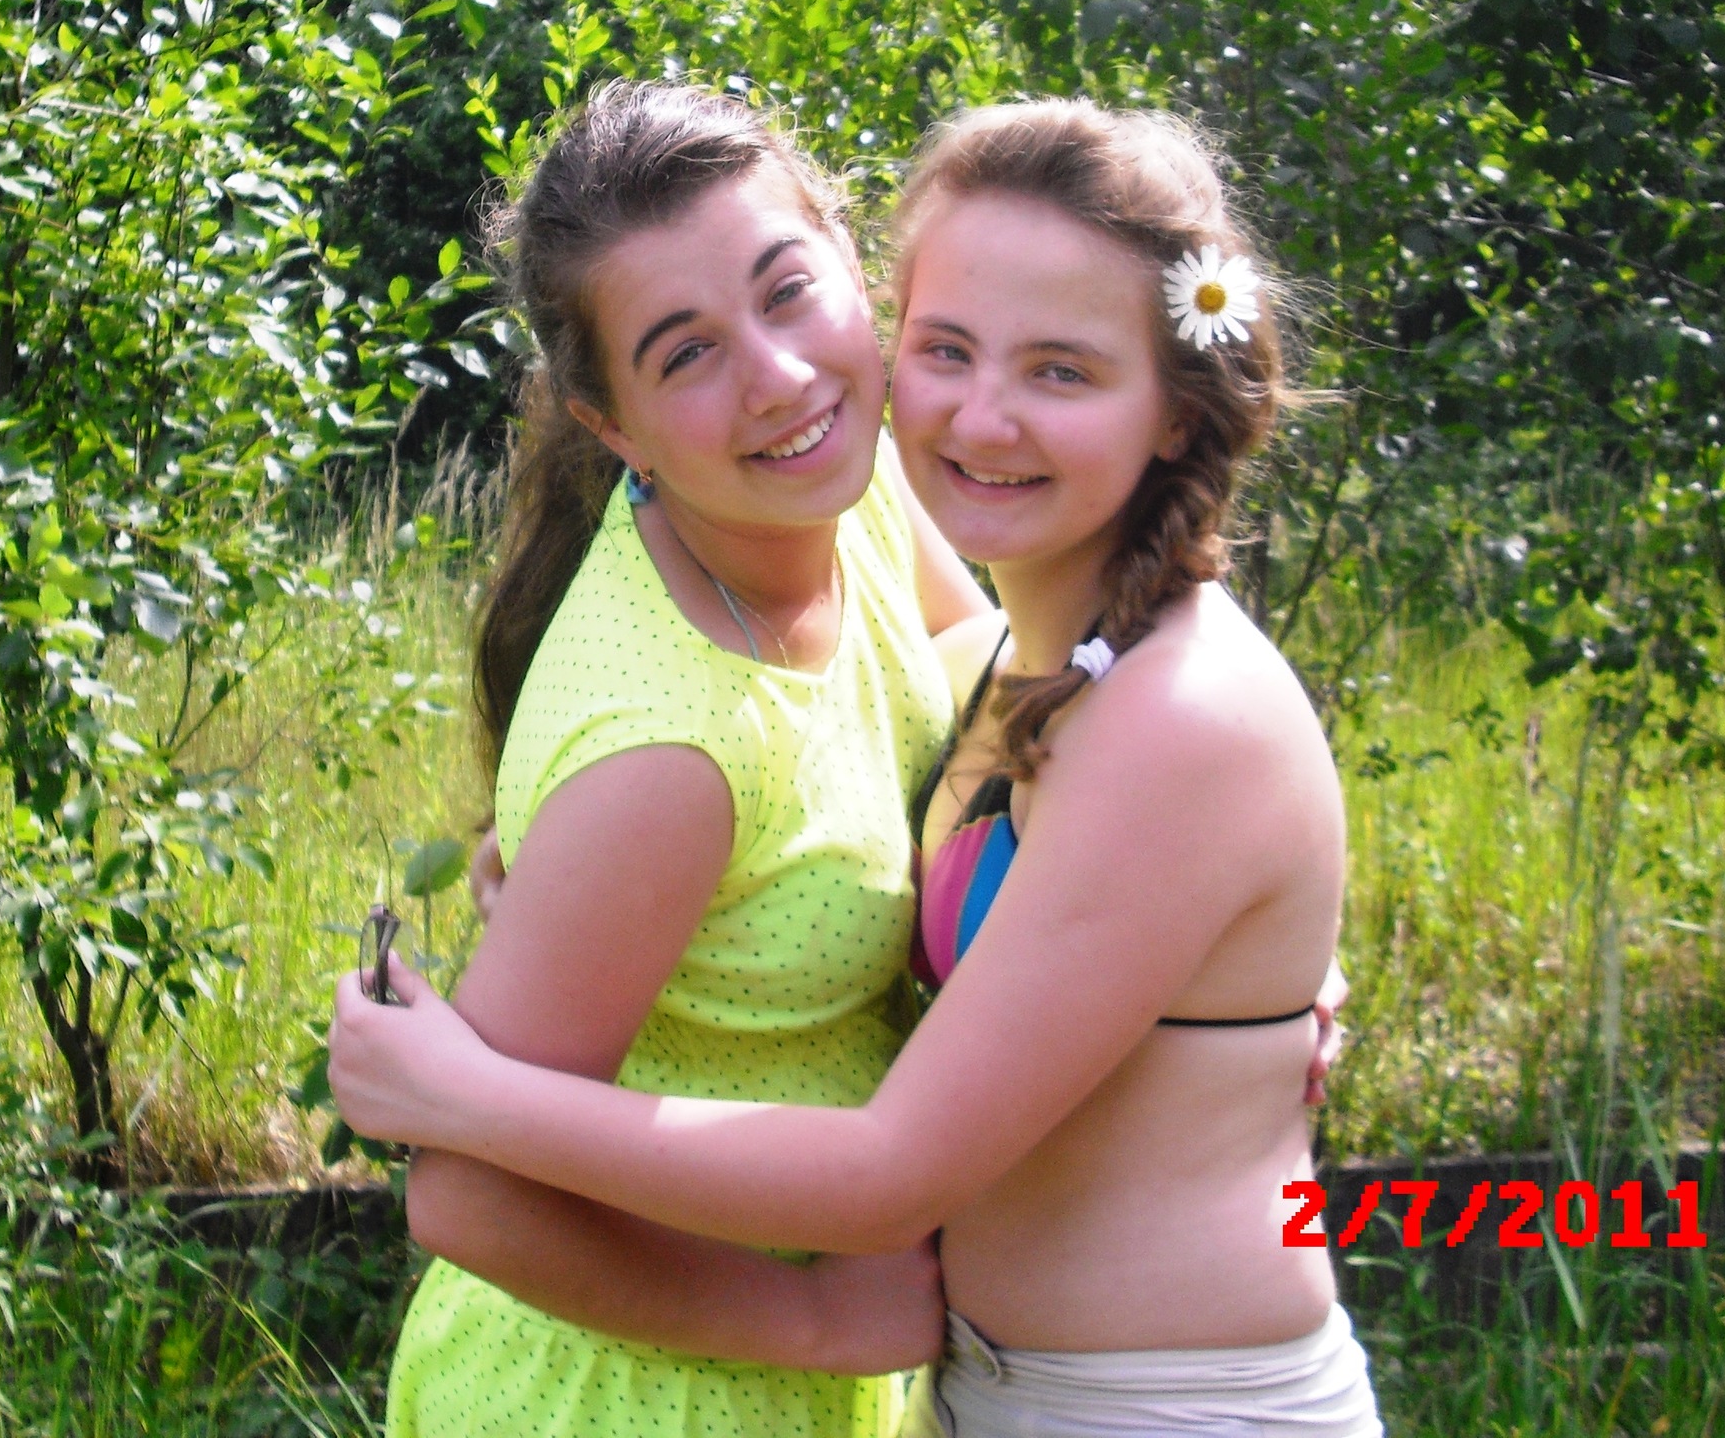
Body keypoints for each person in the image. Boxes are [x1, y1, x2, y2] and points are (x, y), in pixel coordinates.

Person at [331, 98, 1381, 1438]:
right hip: (795, 1393)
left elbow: (1000, 723)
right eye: (949, 349)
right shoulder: (770, 643)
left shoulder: (1105, 668)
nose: (984, 414)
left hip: (1156, 1405)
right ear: (612, 425)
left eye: (1062, 371)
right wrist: (584, 860)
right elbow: (954, 717)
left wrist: (1235, 943)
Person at [370, 79, 990, 1438]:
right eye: (686, 353)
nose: (778, 378)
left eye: (787, 290)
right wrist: (814, 1322)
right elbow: (465, 1195)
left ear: (848, 258)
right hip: (628, 1396)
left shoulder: (849, 488)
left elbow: (986, 673)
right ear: (611, 424)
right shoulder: (664, 752)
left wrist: (1196, 927)